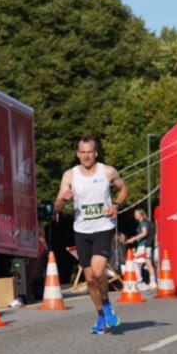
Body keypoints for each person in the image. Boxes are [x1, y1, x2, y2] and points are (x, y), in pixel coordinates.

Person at [54, 136, 129, 334]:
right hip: (81, 231)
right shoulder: (70, 175)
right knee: (89, 280)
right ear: (78, 154)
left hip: (103, 227)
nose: (86, 156)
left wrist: (116, 204)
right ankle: (101, 316)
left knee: (97, 273)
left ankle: (107, 304)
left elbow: (123, 188)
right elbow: (57, 208)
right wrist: (63, 199)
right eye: (83, 152)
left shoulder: (108, 171)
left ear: (95, 153)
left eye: (89, 152)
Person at [126, 208, 157, 290]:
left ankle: (140, 282)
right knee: (147, 263)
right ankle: (152, 282)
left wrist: (134, 239)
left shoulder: (143, 223)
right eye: (135, 214)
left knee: (137, 263)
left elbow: (144, 233)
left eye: (137, 214)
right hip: (147, 245)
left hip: (144, 246)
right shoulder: (147, 222)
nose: (135, 215)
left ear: (141, 214)